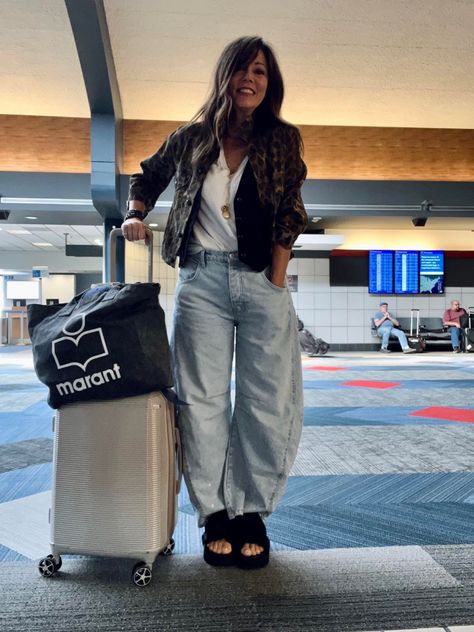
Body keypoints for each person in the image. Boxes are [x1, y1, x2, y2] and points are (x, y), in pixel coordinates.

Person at [122, 36, 307, 570]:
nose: (251, 79)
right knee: (201, 400)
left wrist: (276, 273)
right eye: (243, 69)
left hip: (260, 283)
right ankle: (215, 515)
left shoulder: (280, 139)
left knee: (265, 400)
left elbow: (292, 206)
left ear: (269, 85)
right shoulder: (191, 137)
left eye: (262, 73)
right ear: (225, 74)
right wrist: (136, 211)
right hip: (201, 280)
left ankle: (251, 512)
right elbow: (148, 175)